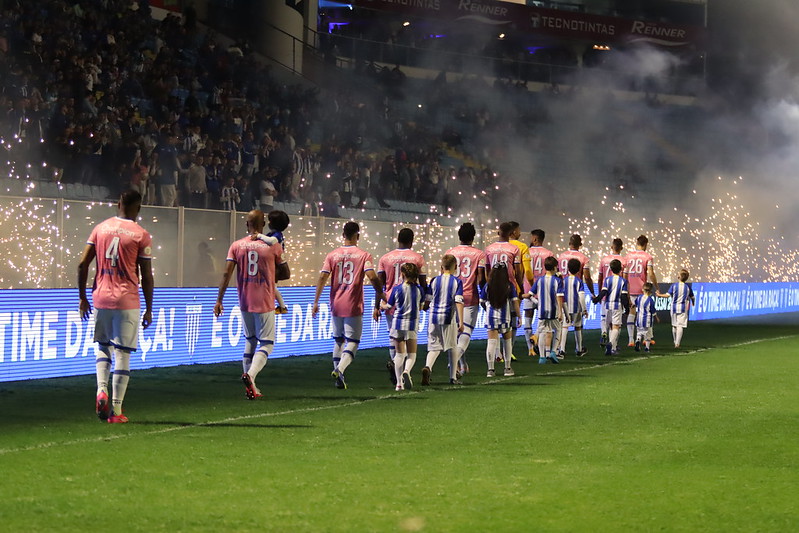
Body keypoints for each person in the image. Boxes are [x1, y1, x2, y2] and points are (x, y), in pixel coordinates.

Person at [77, 190, 154, 424]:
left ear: (118, 203)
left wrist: (82, 298)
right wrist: (149, 308)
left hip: (101, 298)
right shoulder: (141, 235)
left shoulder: (100, 228)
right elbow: (147, 275)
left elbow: (82, 264)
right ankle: (117, 410)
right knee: (122, 353)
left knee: (103, 347)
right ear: (138, 208)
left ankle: (101, 389)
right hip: (126, 300)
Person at [214, 210, 290, 400]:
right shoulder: (272, 246)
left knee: (250, 340)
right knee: (267, 343)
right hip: (264, 300)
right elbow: (286, 273)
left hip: (245, 300)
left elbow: (226, 273)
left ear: (247, 224)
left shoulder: (236, 245)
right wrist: (269, 273)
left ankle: (252, 388)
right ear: (263, 224)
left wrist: (219, 300)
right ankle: (251, 375)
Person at [312, 221, 383, 389]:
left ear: (343, 235)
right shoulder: (364, 255)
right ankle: (340, 369)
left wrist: (316, 301)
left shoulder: (332, 255)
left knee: (338, 341)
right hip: (353, 305)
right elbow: (372, 276)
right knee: (353, 341)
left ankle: (339, 378)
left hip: (336, 304)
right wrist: (381, 292)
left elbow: (322, 277)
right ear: (358, 236)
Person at [377, 228, 427, 385]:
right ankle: (402, 371)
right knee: (410, 347)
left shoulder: (385, 258)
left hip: (391, 300)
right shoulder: (417, 258)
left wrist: (377, 306)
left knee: (393, 339)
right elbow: (423, 283)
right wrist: (425, 301)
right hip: (410, 303)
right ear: (412, 241)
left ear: (398, 239)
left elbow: (379, 284)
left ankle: (396, 371)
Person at [445, 223, 486, 376]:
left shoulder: (450, 252)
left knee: (455, 333)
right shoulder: (479, 254)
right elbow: (481, 278)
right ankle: (454, 361)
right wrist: (483, 295)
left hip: (451, 296)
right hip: (469, 296)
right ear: (473, 237)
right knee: (466, 331)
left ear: (459, 236)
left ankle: (462, 365)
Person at [421, 254, 465, 386]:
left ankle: (428, 367)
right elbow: (458, 301)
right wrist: (461, 321)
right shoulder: (457, 282)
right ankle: (453, 377)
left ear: (441, 267)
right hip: (448, 317)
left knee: (434, 347)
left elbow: (428, 299)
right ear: (455, 267)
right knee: (452, 347)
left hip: (433, 317)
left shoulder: (434, 280)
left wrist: (424, 307)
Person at [380, 263, 425, 390]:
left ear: (403, 274)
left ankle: (399, 384)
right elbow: (421, 307)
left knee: (399, 355)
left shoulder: (397, 289)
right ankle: (407, 371)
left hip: (397, 324)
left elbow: (389, 306)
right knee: (411, 354)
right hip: (412, 324)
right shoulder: (419, 290)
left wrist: (381, 306)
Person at [484, 221, 523, 363]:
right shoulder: (514, 249)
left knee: (493, 325)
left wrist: (488, 285)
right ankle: (507, 362)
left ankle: (496, 355)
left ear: (498, 232)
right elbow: (518, 271)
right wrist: (520, 286)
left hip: (493, 288)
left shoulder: (489, 249)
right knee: (510, 322)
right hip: (508, 287)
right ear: (511, 233)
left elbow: (487, 270)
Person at [480, 263, 521, 377]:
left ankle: (490, 369)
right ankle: (507, 368)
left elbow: (482, 301)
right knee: (507, 342)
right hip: (505, 318)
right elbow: (515, 302)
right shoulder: (509, 286)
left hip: (491, 318)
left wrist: (487, 309)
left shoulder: (487, 286)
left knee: (491, 342)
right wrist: (519, 316)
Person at [526, 256, 564, 365]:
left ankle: (542, 357)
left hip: (542, 312)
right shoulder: (557, 281)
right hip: (553, 311)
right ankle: (553, 351)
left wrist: (537, 302)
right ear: (554, 267)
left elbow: (530, 294)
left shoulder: (539, 280)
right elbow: (559, 297)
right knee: (558, 329)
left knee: (542, 333)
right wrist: (560, 312)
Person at [624, 235, 659, 347]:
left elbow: (625, 273)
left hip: (630, 288)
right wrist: (656, 287)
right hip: (642, 289)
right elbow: (650, 273)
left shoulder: (628, 256)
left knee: (631, 313)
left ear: (637, 243)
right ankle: (646, 338)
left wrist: (625, 287)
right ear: (645, 244)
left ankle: (631, 340)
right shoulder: (648, 257)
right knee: (646, 313)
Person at [525, 229, 554, 356]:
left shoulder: (526, 252)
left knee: (528, 318)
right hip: (543, 291)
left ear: (535, 239)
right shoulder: (548, 253)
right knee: (543, 320)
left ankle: (530, 349)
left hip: (528, 290)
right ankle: (538, 340)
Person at [255, 210, 291, 314]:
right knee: (272, 286)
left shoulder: (277, 235)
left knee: (272, 286)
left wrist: (259, 235)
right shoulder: (271, 234)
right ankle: (280, 306)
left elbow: (271, 241)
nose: (268, 223)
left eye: (270, 221)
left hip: (276, 263)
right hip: (272, 262)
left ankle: (282, 306)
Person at [506, 221, 532, 362]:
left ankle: (497, 353)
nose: (520, 232)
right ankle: (508, 351)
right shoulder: (522, 247)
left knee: (496, 323)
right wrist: (528, 286)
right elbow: (527, 271)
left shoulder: (495, 247)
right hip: (513, 288)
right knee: (513, 319)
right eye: (519, 230)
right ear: (514, 232)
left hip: (496, 288)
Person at [592, 259, 629, 356]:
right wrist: (627, 308)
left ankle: (612, 347)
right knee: (616, 326)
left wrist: (596, 299)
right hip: (617, 305)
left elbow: (604, 292)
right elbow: (624, 296)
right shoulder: (623, 281)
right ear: (621, 269)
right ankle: (611, 344)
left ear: (611, 269)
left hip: (607, 305)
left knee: (610, 325)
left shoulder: (607, 279)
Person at [597, 238, 627, 347]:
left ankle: (604, 332)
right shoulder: (624, 261)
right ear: (621, 248)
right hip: (617, 297)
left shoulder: (604, 260)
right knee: (616, 324)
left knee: (605, 318)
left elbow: (600, 278)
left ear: (611, 247)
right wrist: (626, 300)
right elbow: (625, 279)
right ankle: (613, 345)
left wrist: (599, 294)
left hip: (605, 296)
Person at [657, 269, 694, 348]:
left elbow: (667, 295)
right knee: (680, 325)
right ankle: (677, 343)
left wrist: (659, 295)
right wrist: (693, 303)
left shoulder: (674, 286)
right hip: (683, 308)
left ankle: (675, 341)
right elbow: (692, 297)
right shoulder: (687, 287)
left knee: (674, 325)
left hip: (673, 308)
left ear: (679, 277)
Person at [558, 258, 588, 358]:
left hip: (565, 307)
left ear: (568, 268)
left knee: (564, 327)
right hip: (576, 308)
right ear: (579, 269)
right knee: (578, 327)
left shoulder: (563, 281)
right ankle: (579, 349)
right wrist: (584, 309)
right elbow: (581, 296)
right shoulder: (579, 281)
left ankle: (562, 349)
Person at [557, 233, 596, 298]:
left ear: (569, 243)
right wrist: (592, 292)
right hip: (576, 290)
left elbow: (556, 273)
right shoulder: (583, 258)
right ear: (580, 244)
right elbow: (587, 278)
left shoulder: (561, 256)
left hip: (562, 290)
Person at [634, 282, 659, 352]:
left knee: (639, 332)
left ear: (642, 289)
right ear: (651, 291)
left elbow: (635, 303)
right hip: (647, 320)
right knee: (648, 335)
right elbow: (653, 310)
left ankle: (638, 341)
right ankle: (647, 348)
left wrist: (633, 305)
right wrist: (656, 318)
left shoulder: (639, 297)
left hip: (639, 319)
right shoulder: (650, 300)